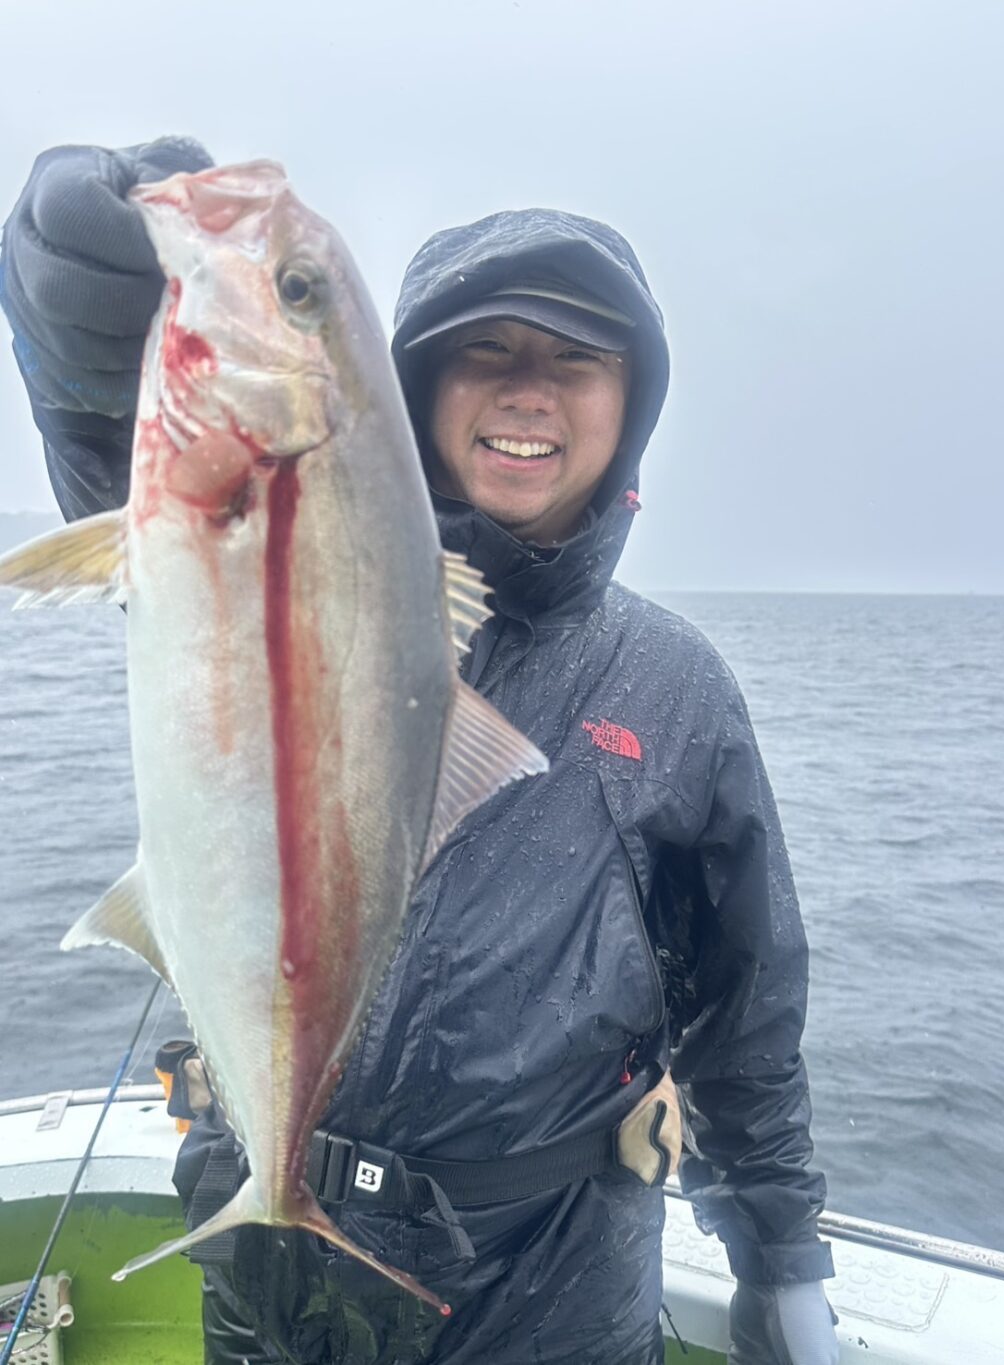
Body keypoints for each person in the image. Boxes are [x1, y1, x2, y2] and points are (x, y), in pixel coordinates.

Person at [0, 138, 840, 1365]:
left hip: (557, 1283)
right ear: (411, 384)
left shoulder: (675, 684)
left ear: (633, 405)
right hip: (269, 1269)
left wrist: (781, 1258)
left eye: (577, 359)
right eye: (485, 351)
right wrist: (76, 322)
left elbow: (747, 1008)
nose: (529, 392)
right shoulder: (277, 566)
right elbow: (145, 485)